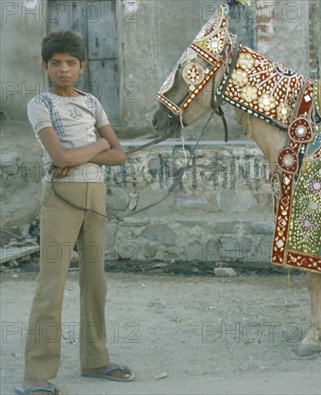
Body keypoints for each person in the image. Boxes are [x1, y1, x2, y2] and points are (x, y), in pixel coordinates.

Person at [16, 30, 134, 395]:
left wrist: (87, 150)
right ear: (45, 66)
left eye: (70, 63)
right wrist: (98, 143)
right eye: (56, 63)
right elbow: (60, 157)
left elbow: (119, 155)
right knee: (51, 283)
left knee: (95, 281)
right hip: (61, 200)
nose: (63, 70)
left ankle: (96, 360)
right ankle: (36, 373)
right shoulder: (40, 104)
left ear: (82, 67)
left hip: (94, 196)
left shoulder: (92, 102)